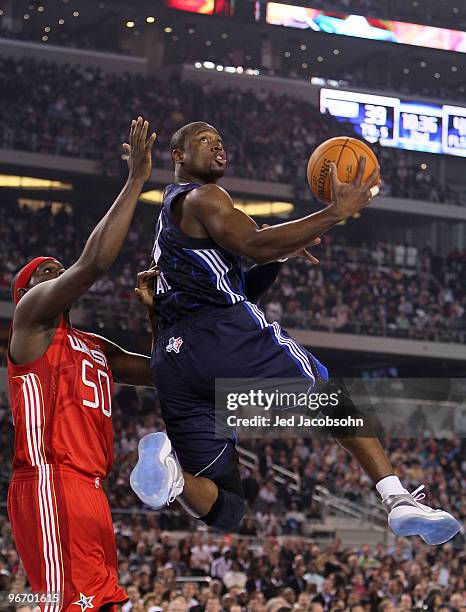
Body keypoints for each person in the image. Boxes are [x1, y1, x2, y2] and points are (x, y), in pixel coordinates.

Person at [131, 121, 460, 544]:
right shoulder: (204, 196)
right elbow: (255, 244)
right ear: (177, 156)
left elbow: (240, 276)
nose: (218, 146)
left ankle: (172, 475)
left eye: (221, 139)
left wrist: (277, 253)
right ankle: (396, 498)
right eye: (205, 140)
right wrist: (333, 213)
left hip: (173, 359)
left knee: (227, 509)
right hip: (219, 335)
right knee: (332, 399)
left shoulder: (169, 222)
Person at [7, 117, 156, 610]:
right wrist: (136, 179)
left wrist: (158, 314)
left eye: (58, 270)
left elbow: (159, 372)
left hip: (91, 488)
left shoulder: (93, 344)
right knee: (64, 604)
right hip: (49, 478)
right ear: (27, 293)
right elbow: (93, 264)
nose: (58, 274)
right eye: (46, 274)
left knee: (105, 602)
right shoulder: (30, 321)